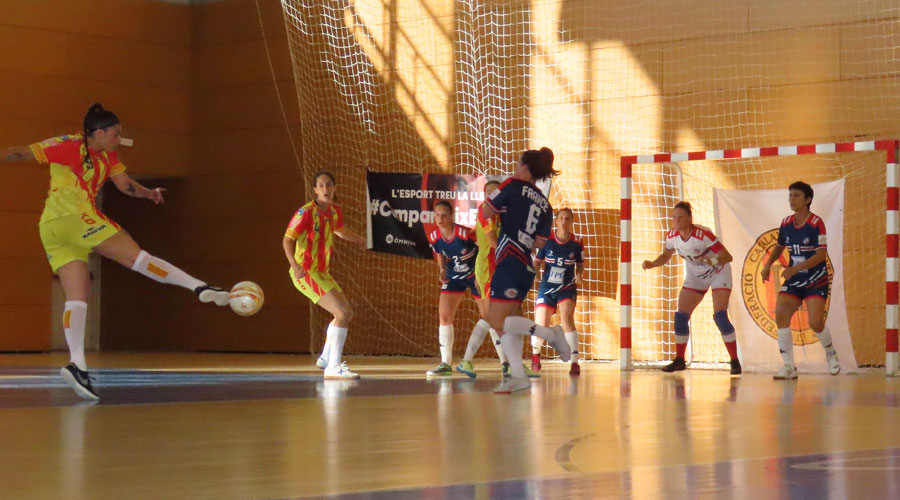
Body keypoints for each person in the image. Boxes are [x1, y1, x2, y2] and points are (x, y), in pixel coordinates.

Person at [0, 103, 233, 400]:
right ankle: (198, 287)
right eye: (115, 133)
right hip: (74, 218)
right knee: (136, 257)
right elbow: (21, 152)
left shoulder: (107, 154)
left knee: (78, 296)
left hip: (53, 229)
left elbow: (124, 185)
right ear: (98, 132)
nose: (119, 138)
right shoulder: (67, 145)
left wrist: (149, 193)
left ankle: (77, 365)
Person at [482, 147, 571, 394]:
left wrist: (500, 215)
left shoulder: (511, 185)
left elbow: (485, 211)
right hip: (525, 266)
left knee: (496, 319)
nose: (514, 169)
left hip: (509, 260)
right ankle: (518, 377)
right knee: (509, 322)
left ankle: (551, 336)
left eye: (517, 164)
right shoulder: (545, 204)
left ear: (524, 168)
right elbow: (541, 242)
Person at [642, 201, 742, 375]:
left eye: (680, 217)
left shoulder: (703, 234)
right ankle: (679, 360)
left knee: (720, 316)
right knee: (681, 316)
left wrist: (710, 261)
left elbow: (727, 256)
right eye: (674, 217)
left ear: (690, 218)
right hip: (696, 276)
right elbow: (665, 255)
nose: (676, 221)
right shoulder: (672, 235)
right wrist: (652, 264)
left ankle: (734, 361)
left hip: (719, 272)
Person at [284, 171, 366, 380]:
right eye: (321, 185)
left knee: (346, 312)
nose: (326, 189)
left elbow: (341, 231)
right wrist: (294, 266)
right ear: (315, 190)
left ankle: (325, 358)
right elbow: (287, 240)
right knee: (341, 313)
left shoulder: (334, 211)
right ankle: (333, 367)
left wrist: (362, 240)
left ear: (334, 188)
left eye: (329, 185)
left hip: (322, 272)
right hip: (306, 272)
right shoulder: (305, 213)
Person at [760, 181, 840, 380]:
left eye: (796, 195)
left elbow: (821, 255)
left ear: (808, 199)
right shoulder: (786, 223)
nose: (791, 199)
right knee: (780, 315)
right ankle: (789, 367)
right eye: (790, 196)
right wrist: (768, 264)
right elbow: (779, 246)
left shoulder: (816, 223)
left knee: (815, 322)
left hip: (815, 279)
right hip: (795, 281)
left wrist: (795, 268)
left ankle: (831, 354)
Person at [455, 180, 515, 378]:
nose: (491, 196)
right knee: (490, 315)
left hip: (498, 265)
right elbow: (492, 241)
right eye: (487, 192)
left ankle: (506, 363)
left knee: (500, 318)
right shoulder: (486, 211)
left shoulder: (501, 213)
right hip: (489, 265)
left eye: (494, 192)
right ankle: (467, 361)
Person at [424, 200, 483, 376]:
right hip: (454, 276)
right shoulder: (434, 236)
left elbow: (483, 248)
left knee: (487, 316)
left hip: (474, 276)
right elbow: (439, 252)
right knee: (444, 316)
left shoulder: (464, 234)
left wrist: (482, 274)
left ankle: (505, 363)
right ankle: (445, 363)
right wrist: (442, 269)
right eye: (437, 215)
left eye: (444, 215)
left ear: (451, 217)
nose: (440, 218)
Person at [530, 208, 585, 376]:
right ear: (556, 221)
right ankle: (535, 356)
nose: (564, 221)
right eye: (561, 218)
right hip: (546, 287)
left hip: (566, 287)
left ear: (572, 222)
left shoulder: (577, 243)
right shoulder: (546, 241)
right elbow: (538, 262)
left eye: (567, 219)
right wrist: (533, 274)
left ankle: (574, 363)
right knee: (541, 324)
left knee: (567, 319)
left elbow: (580, 264)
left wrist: (579, 275)